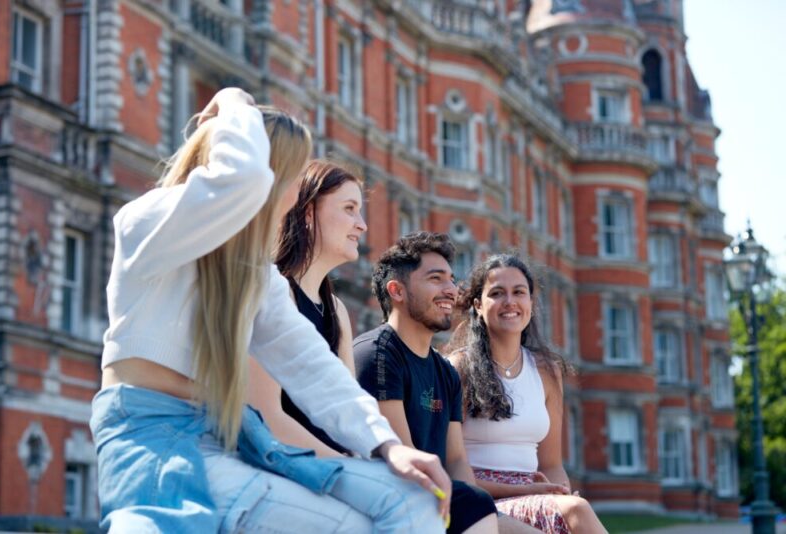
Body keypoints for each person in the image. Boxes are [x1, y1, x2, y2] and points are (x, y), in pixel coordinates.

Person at [90, 88, 450, 533]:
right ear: (267, 173)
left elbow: (313, 369)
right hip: (154, 444)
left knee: (416, 496)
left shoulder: (255, 275)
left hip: (229, 440)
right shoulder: (147, 223)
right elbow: (241, 181)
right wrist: (234, 103)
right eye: (295, 177)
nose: (297, 195)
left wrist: (387, 446)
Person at [354, 232, 541, 534]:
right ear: (397, 291)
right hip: (399, 505)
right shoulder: (376, 355)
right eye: (436, 279)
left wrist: (483, 511)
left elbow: (455, 460)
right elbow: (405, 459)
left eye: (451, 280)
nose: (451, 290)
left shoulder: (445, 372)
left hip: (446, 502)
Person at [446, 254, 607, 534]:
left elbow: (552, 464)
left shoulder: (547, 371)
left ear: (531, 303)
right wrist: (534, 490)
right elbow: (454, 469)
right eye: (497, 293)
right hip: (480, 500)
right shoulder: (459, 368)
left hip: (536, 493)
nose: (510, 302)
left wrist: (559, 493)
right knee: (577, 510)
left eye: (519, 292)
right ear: (478, 306)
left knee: (574, 509)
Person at [248, 159, 366, 457]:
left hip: (333, 468)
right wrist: (353, 468)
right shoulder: (275, 294)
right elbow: (267, 418)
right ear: (309, 213)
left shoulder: (336, 310)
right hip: (286, 468)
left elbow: (350, 415)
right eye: (349, 209)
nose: (362, 225)